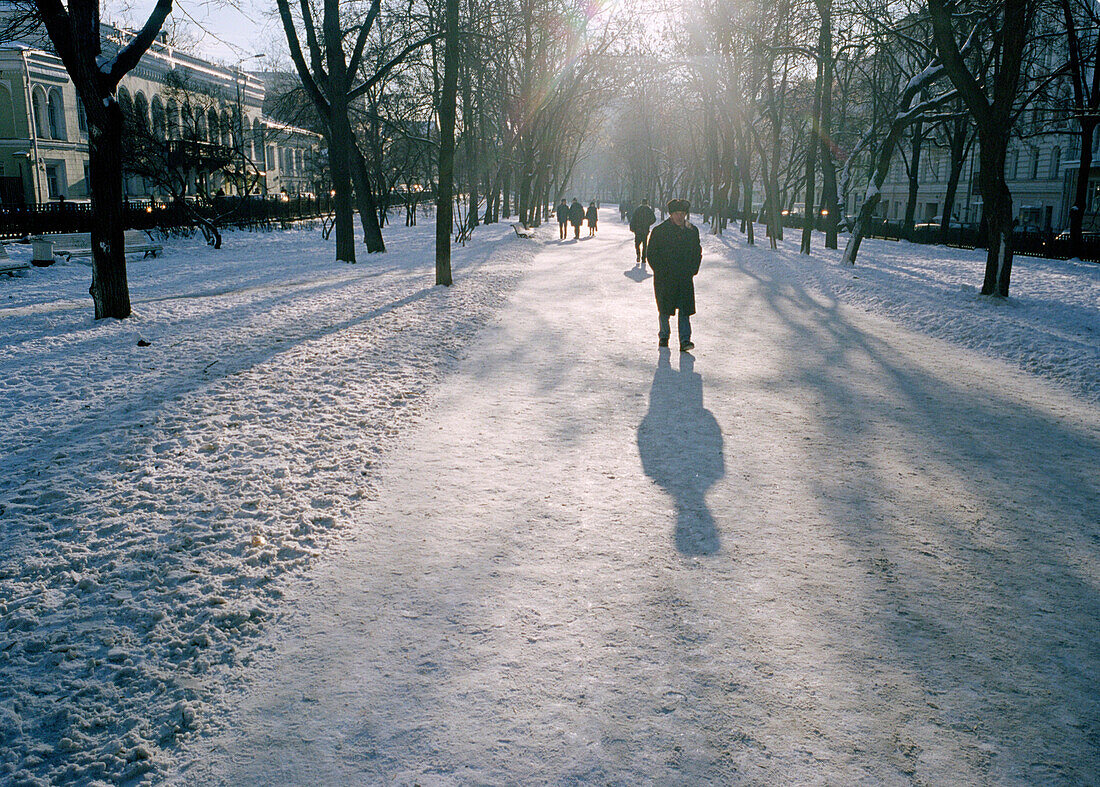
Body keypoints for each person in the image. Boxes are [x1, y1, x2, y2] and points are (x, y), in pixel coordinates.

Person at [646, 198, 701, 352]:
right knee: (664, 307)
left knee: (684, 309)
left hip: (684, 276)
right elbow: (651, 253)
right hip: (665, 277)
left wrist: (692, 269)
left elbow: (697, 252)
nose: (680, 217)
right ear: (671, 214)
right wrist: (660, 270)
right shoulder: (660, 231)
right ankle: (664, 335)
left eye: (682, 213)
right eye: (676, 213)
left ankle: (685, 340)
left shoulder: (691, 230)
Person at [630, 199, 656, 267]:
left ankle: (638, 254)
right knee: (644, 244)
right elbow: (654, 219)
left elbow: (633, 219)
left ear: (641, 203)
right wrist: (648, 223)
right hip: (645, 230)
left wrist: (632, 227)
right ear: (647, 203)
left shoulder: (637, 210)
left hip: (638, 229)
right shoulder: (649, 210)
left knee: (637, 243)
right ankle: (644, 258)